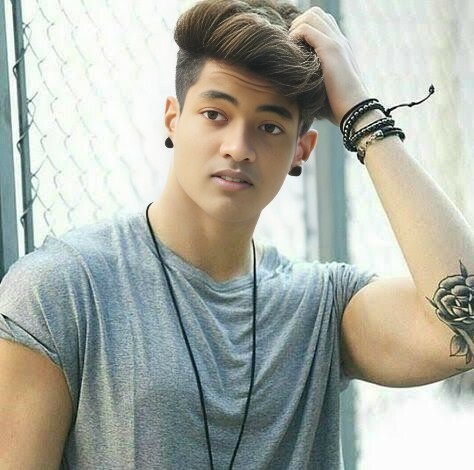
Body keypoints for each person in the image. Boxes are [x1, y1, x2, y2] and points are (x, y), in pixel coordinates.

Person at [1, 0, 473, 469]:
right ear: (173, 119)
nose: (238, 147)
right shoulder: (63, 291)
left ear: (301, 150)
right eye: (215, 114)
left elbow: (463, 326)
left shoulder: (319, 308)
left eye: (269, 126)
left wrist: (362, 115)